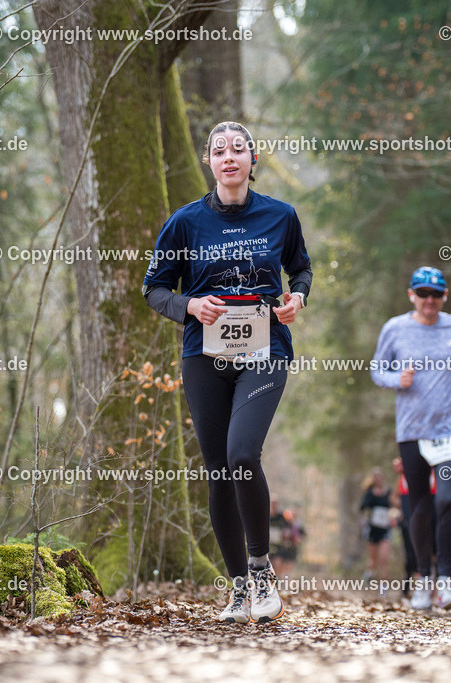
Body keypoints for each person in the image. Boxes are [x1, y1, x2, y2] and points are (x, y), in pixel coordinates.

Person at [142, 121, 312, 624]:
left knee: (242, 454)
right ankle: (238, 588)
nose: (229, 156)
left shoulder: (281, 216)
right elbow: (154, 288)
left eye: (238, 148)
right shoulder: (186, 222)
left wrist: (297, 296)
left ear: (252, 160)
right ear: (209, 163)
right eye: (219, 150)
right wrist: (191, 305)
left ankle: (262, 571)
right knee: (219, 471)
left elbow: (301, 269)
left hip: (265, 351)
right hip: (204, 357)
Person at [371, 266, 451, 611]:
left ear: (444, 297)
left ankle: (446, 582)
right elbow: (378, 368)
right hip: (412, 429)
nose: (429, 301)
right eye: (423, 294)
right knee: (418, 505)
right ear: (412, 296)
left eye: (436, 294)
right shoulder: (395, 328)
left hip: (450, 427)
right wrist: (396, 379)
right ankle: (423, 580)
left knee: (445, 500)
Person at [359, 468, 394, 585]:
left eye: (380, 477)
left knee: (384, 558)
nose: (378, 479)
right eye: (376, 477)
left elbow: (395, 506)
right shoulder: (369, 493)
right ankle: (368, 575)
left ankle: (383, 587)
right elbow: (363, 508)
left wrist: (394, 516)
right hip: (373, 528)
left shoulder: (389, 492)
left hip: (386, 528)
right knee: (373, 559)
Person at [390, 457, 418, 597]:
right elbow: (393, 498)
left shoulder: (424, 477)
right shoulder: (402, 480)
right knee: (410, 555)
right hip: (406, 521)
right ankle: (406, 588)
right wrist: (403, 504)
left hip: (422, 521)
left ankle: (427, 587)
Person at [270, 497, 304, 577]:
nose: (273, 507)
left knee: (279, 564)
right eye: (271, 504)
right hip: (267, 547)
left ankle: (278, 583)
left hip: (280, 547)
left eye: (275, 504)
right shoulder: (264, 517)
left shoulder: (281, 518)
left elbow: (291, 528)